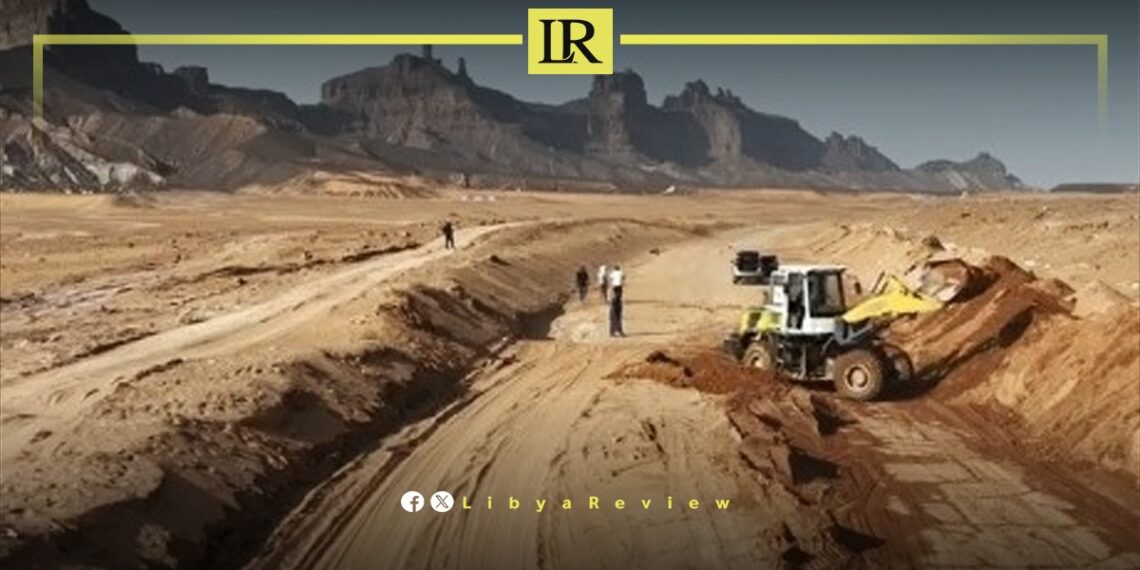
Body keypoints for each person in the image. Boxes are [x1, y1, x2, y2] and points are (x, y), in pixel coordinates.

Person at [608, 265, 625, 337]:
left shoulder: (612, 277)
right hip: (615, 300)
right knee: (616, 315)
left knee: (614, 316)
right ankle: (617, 331)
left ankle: (614, 331)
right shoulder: (616, 287)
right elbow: (623, 278)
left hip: (614, 300)